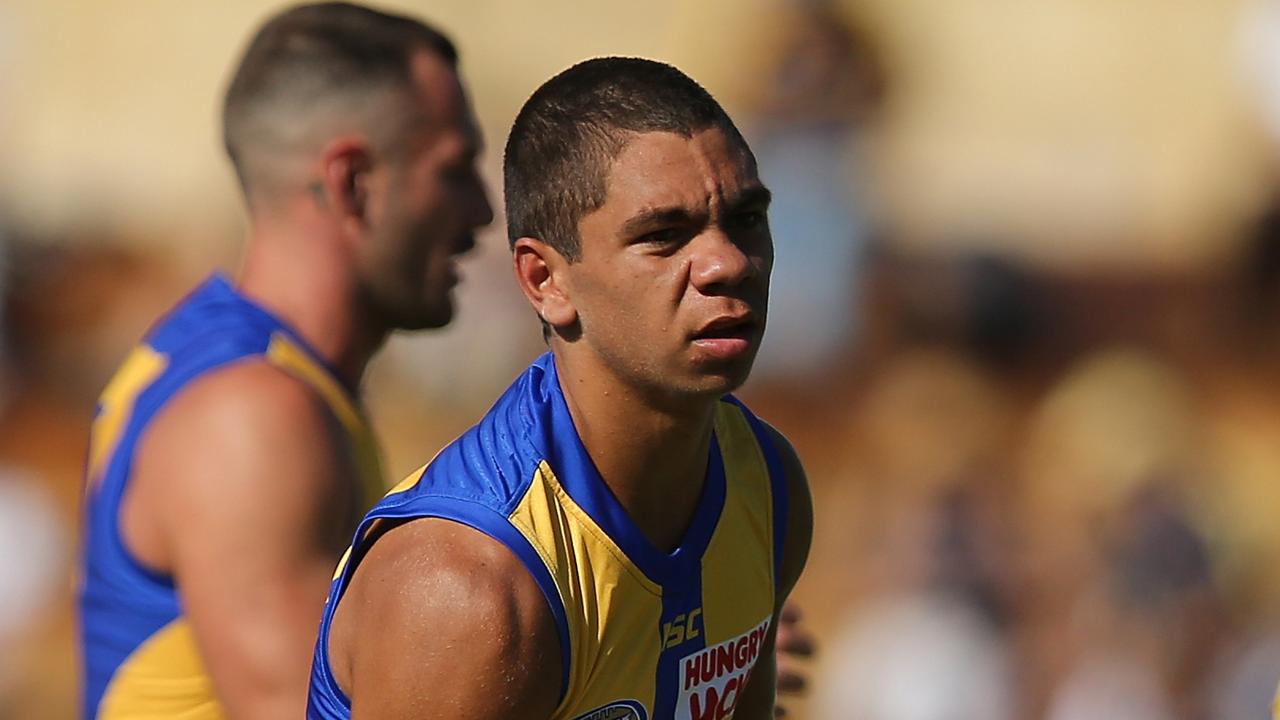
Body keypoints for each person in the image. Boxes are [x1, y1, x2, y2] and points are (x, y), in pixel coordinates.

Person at [307, 57, 814, 720]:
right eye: (664, 236)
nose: (727, 263)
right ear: (545, 281)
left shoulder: (766, 485)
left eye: (746, 219)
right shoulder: (471, 593)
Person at [77, 4, 493, 718]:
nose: (483, 211)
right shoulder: (252, 419)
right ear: (352, 182)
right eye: (454, 171)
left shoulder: (251, 372)